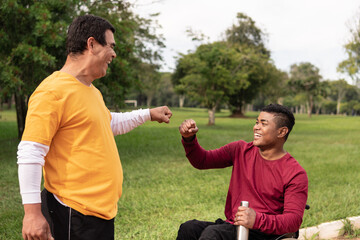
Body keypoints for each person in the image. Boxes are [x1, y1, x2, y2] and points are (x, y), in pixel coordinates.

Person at [17, 15, 172, 240]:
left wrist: (148, 114)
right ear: (91, 44)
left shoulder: (90, 90)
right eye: (111, 46)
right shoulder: (52, 92)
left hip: (99, 213)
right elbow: (31, 152)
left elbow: (106, 123)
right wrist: (31, 214)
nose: (114, 54)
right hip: (74, 212)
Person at [177, 104, 308, 240]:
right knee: (189, 228)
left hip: (266, 234)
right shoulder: (240, 150)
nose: (256, 127)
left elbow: (293, 221)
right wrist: (189, 139)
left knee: (214, 234)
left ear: (281, 132)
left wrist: (257, 220)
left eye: (263, 124)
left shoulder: (295, 173)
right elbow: (202, 160)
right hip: (234, 226)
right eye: (256, 122)